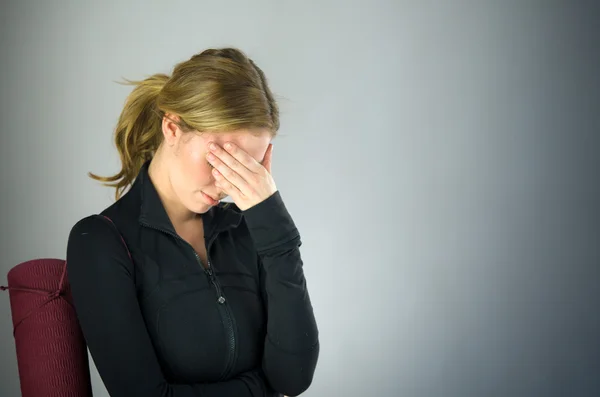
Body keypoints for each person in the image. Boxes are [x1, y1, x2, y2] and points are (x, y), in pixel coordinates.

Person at [66, 47, 319, 397]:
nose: (227, 184)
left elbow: (293, 379)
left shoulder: (249, 230)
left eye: (249, 168)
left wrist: (273, 224)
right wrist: (260, 388)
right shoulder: (100, 241)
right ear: (172, 128)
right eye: (221, 160)